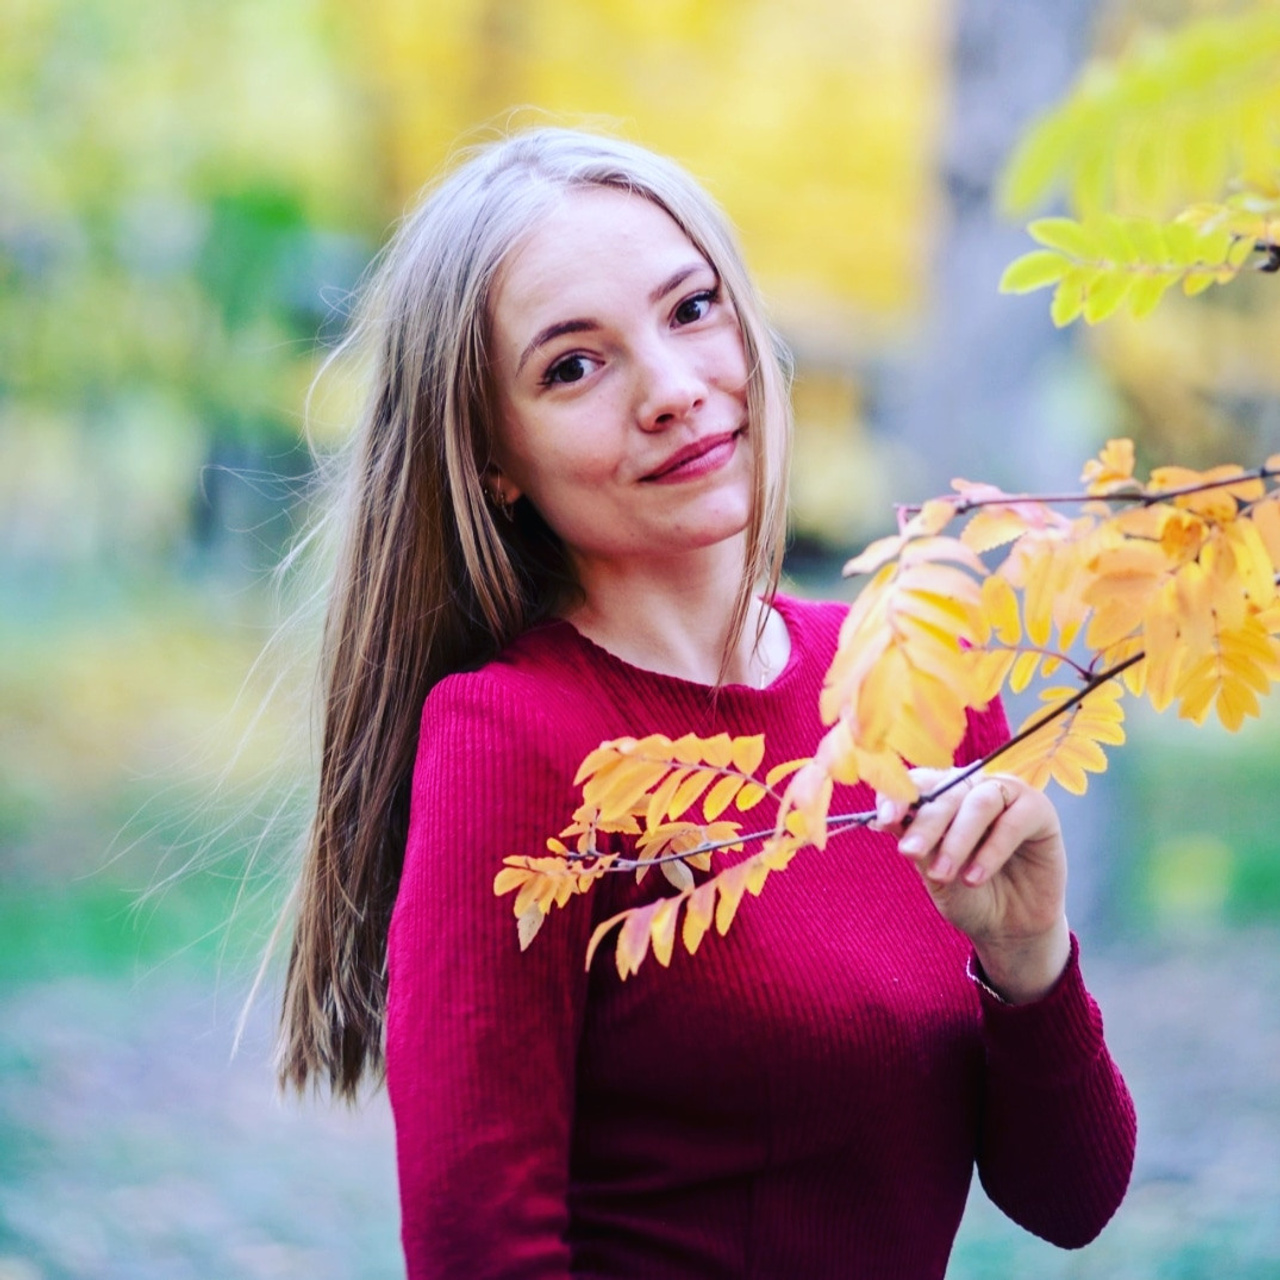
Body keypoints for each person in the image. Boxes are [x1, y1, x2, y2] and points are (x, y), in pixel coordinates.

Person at [275, 127, 1136, 1279]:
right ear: (493, 457)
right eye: (572, 366)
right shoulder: (511, 741)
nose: (675, 392)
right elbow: (482, 1253)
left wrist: (1027, 958)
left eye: (690, 310)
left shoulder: (911, 674)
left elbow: (1069, 1198)